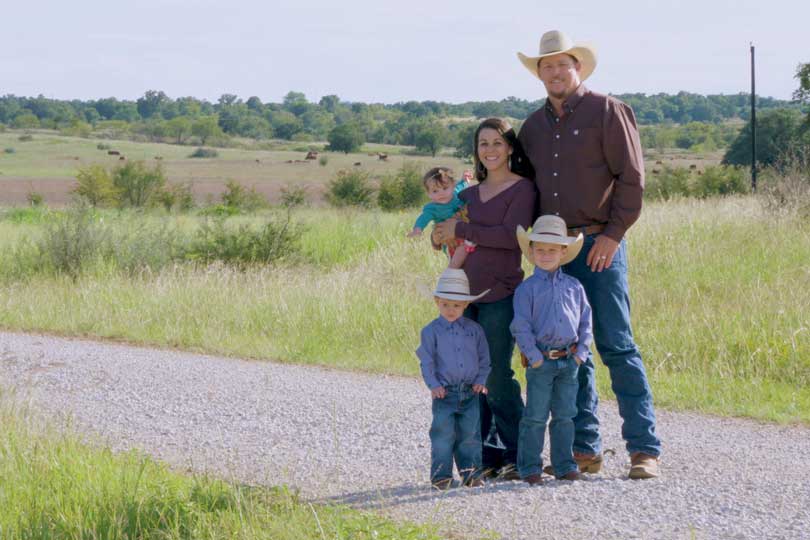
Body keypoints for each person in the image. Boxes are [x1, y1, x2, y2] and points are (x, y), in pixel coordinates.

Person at [516, 29, 662, 479]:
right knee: (566, 349)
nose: (555, 72)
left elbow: (632, 180)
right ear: (538, 73)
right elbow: (520, 189)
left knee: (616, 344)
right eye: (547, 65)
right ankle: (586, 447)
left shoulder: (608, 111)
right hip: (554, 253)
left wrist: (613, 236)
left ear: (578, 68)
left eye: (563, 64)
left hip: (600, 244)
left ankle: (644, 449)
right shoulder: (532, 128)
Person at [432, 117, 536, 479]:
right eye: (483, 143)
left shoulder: (523, 190)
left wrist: (460, 228)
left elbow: (512, 236)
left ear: (510, 147)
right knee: (467, 378)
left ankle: (521, 453)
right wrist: (439, 234)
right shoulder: (468, 195)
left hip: (500, 293)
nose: (489, 150)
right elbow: (445, 231)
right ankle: (483, 460)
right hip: (462, 297)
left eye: (496, 142)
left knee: (496, 377)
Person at [511, 215, 592, 485]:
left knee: (565, 415)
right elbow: (520, 325)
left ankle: (564, 464)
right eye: (540, 250)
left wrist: (582, 353)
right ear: (531, 253)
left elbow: (585, 321)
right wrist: (534, 358)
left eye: (552, 250)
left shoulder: (574, 287)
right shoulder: (527, 289)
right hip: (541, 361)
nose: (546, 255)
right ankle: (530, 467)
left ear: (563, 252)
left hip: (569, 360)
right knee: (535, 416)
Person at [416, 268, 491, 489]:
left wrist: (481, 379)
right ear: (437, 302)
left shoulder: (475, 330)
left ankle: (471, 474)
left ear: (466, 305)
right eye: (446, 304)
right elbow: (427, 361)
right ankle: (441, 477)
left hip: (470, 390)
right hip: (445, 392)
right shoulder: (430, 331)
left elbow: (484, 358)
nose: (451, 310)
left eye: (456, 305)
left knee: (470, 434)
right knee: (442, 435)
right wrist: (434, 384)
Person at [408, 167, 475, 269]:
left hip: (463, 233)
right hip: (448, 240)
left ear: (452, 186)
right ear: (429, 194)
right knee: (460, 251)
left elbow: (462, 184)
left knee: (467, 249)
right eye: (435, 191)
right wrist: (417, 229)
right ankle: (451, 270)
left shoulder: (457, 193)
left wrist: (465, 179)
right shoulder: (432, 208)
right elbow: (423, 218)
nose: (441, 193)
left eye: (444, 188)